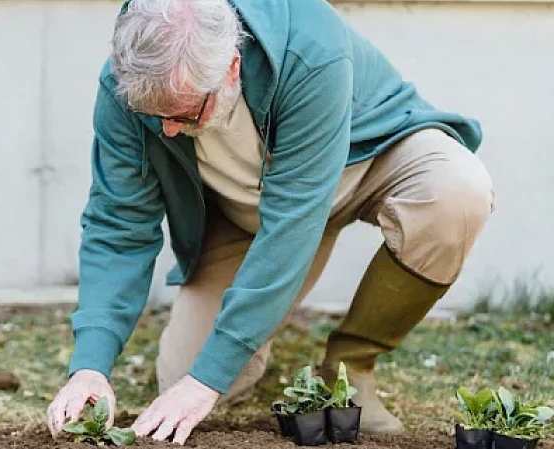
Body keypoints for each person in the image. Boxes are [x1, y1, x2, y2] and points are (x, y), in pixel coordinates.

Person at [47, 0, 495, 444]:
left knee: (457, 193)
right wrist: (90, 365)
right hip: (249, 214)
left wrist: (208, 381)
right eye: (154, 118)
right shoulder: (130, 84)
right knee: (183, 376)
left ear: (231, 68)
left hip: (365, 160)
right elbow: (117, 226)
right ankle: (252, 331)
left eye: (183, 116)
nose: (166, 131)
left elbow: (292, 223)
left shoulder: (310, 46)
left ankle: (352, 361)